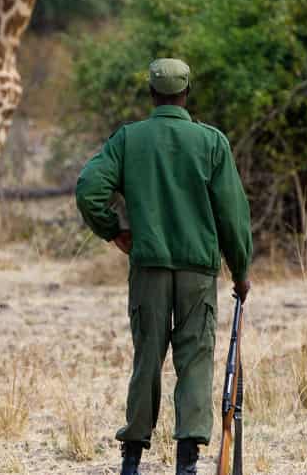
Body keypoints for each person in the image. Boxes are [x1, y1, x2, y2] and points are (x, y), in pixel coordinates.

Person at [75, 58, 253, 475]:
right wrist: (240, 270)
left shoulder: (129, 139)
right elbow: (232, 214)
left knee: (147, 358)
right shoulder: (211, 142)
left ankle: (133, 458)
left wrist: (114, 231)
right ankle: (187, 462)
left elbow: (89, 189)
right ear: (186, 93)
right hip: (198, 271)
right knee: (195, 358)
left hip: (149, 267)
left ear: (152, 94)